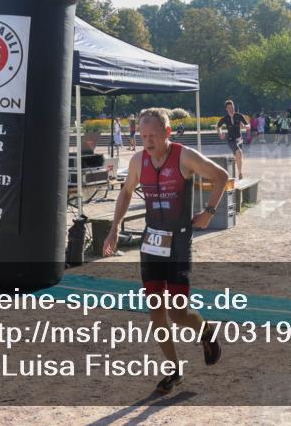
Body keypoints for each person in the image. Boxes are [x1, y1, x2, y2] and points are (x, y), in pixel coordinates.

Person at [102, 108, 229, 394]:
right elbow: (125, 192)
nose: (148, 142)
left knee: (178, 312)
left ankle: (205, 330)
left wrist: (209, 211)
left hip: (179, 241)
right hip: (152, 242)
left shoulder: (184, 156)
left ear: (167, 133)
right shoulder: (138, 161)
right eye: (143, 136)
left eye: (153, 136)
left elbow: (221, 176)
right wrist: (114, 228)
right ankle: (174, 370)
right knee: (156, 310)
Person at [216, 100, 248, 179]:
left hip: (239, 139)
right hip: (231, 140)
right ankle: (239, 173)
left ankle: (239, 172)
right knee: (239, 152)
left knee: (238, 156)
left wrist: (245, 126)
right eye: (229, 108)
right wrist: (220, 134)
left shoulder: (239, 116)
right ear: (226, 109)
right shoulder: (225, 118)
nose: (231, 109)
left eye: (232, 107)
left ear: (234, 107)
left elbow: (248, 125)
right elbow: (218, 126)